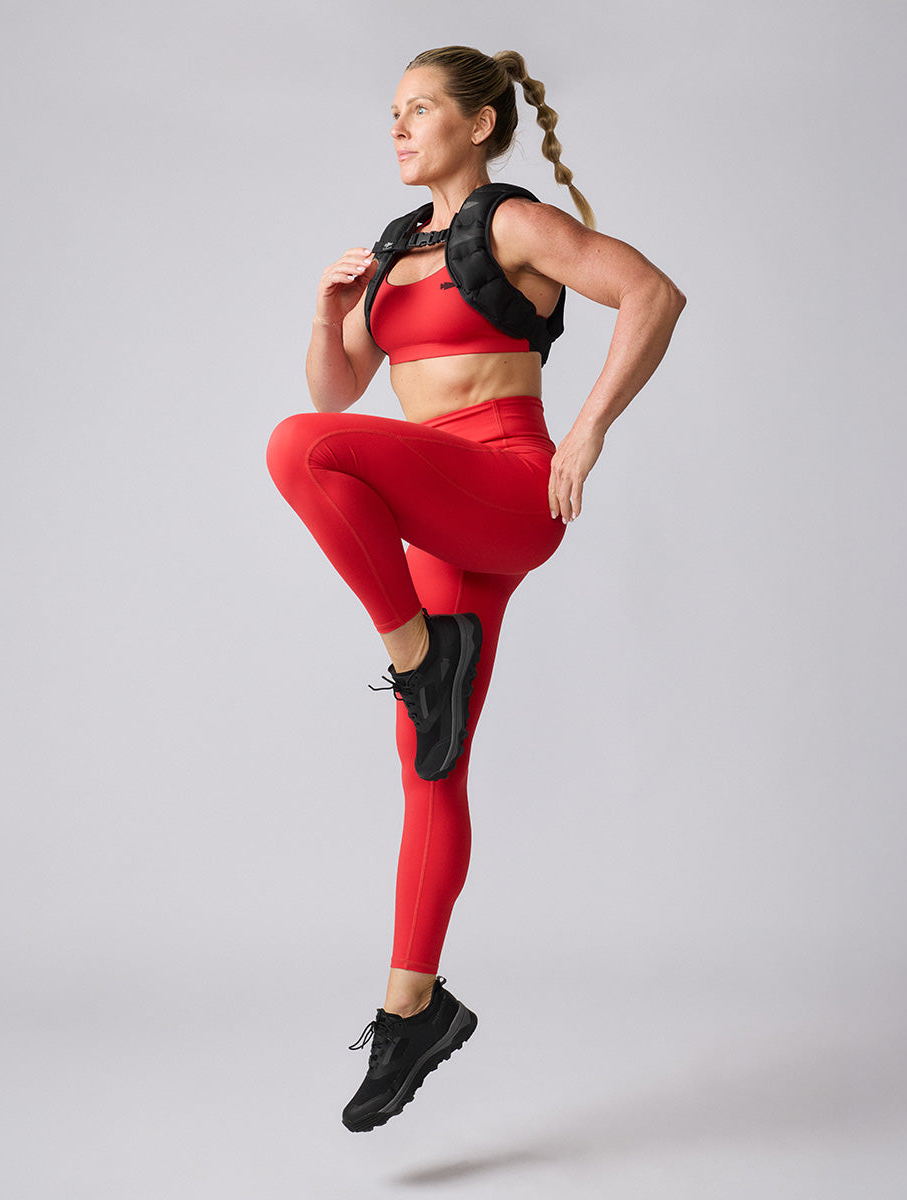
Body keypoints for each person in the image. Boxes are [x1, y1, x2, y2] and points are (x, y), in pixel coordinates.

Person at [266, 45, 684, 1132]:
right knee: (428, 764)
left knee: (298, 450)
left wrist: (586, 429)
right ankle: (415, 1008)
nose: (398, 129)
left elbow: (650, 292)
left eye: (419, 111)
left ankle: (418, 656)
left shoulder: (510, 223)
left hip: (501, 481)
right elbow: (343, 384)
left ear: (483, 122)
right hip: (442, 512)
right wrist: (327, 311)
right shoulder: (401, 245)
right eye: (391, 113)